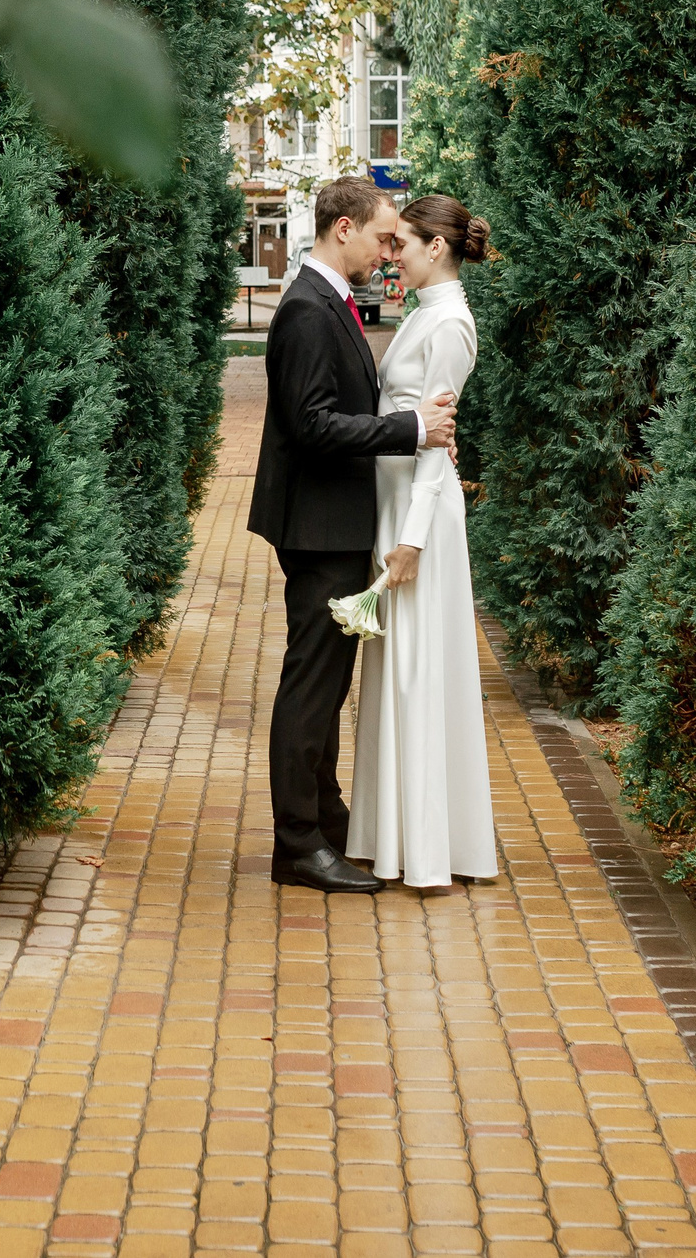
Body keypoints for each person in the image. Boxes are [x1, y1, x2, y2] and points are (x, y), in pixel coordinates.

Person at [249, 178, 457, 894]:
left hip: (330, 519)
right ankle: (298, 844)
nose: (386, 248)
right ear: (344, 229)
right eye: (380, 235)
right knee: (312, 683)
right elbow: (311, 425)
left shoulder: (325, 301)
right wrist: (411, 427)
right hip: (318, 524)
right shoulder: (309, 310)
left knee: (325, 681)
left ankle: (326, 820)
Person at [345, 193, 499, 889]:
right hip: (396, 500)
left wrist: (409, 541)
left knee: (419, 671)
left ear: (436, 247)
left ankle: (429, 847)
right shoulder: (425, 314)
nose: (392, 255)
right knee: (397, 673)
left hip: (419, 517)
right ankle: (392, 835)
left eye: (401, 243)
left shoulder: (452, 324)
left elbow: (436, 450)